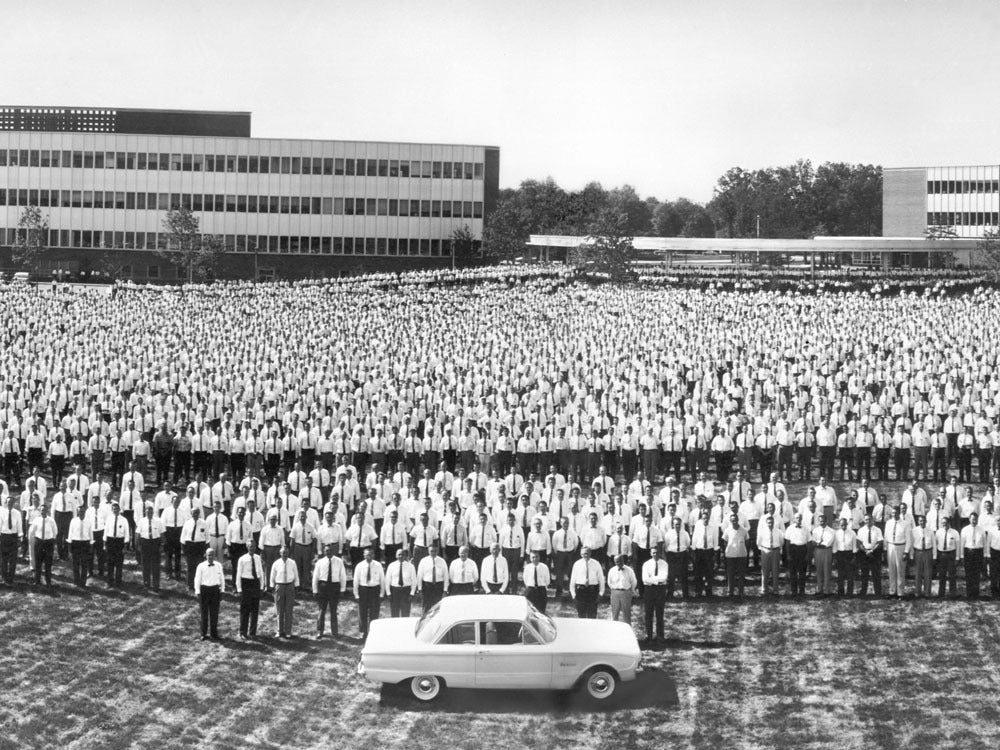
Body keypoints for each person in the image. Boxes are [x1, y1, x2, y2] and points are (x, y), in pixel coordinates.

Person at [312, 543, 347, 638]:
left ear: (333, 551)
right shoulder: (320, 562)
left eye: (330, 550)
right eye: (326, 551)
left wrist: (343, 589)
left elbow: (343, 576)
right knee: (321, 610)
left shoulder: (339, 561)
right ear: (324, 552)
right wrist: (315, 590)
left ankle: (335, 632)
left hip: (334, 587)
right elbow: (315, 577)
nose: (329, 552)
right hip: (323, 587)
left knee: (333, 610)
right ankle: (320, 631)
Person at [235, 539, 265, 639]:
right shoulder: (242, 559)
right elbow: (238, 575)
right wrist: (239, 589)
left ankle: (252, 632)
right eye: (250, 546)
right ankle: (243, 632)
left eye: (253, 546)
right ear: (247, 547)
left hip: (255, 583)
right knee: (245, 609)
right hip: (246, 583)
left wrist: (261, 586)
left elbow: (261, 572)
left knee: (255, 609)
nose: (252, 548)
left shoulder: (257, 558)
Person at [194, 547, 225, 640]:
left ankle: (214, 633)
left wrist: (222, 590)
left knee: (214, 613)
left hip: (215, 590)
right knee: (204, 613)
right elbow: (197, 579)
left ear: (215, 556)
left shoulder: (219, 565)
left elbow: (222, 579)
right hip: (204, 590)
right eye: (208, 555)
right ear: (205, 556)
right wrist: (197, 591)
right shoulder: (201, 566)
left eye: (212, 555)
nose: (210, 557)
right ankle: (203, 633)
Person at [353, 547, 384, 639]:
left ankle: (373, 631)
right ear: (364, 555)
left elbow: (382, 580)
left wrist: (382, 594)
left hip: (375, 590)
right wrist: (356, 594)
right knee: (362, 612)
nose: (369, 556)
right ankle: (363, 631)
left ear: (373, 555)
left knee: (374, 612)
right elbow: (356, 580)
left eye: (371, 554)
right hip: (363, 590)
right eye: (367, 554)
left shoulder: (378, 565)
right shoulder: (359, 566)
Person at [270, 545, 300, 638]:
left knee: (289, 610)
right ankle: (279, 631)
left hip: (290, 586)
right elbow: (272, 576)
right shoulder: (276, 563)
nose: (285, 554)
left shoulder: (292, 563)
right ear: (280, 553)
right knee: (280, 609)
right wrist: (272, 586)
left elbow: (296, 574)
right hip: (280, 586)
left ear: (288, 553)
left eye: (286, 552)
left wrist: (296, 585)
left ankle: (288, 631)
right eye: (283, 552)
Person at [569, 546, 605, 619]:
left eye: (587, 553)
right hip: (580, 591)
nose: (585, 555)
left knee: (592, 615)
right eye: (583, 554)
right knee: (581, 615)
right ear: (580, 554)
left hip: (592, 591)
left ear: (590, 553)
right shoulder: (577, 564)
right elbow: (572, 580)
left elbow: (601, 580)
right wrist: (573, 594)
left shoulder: (596, 564)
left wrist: (601, 593)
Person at [641, 547, 667, 644]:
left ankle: (660, 636)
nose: (655, 555)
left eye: (657, 553)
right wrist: (656, 580)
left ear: (660, 553)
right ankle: (649, 635)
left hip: (660, 590)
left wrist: (652, 579)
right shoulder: (646, 564)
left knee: (659, 613)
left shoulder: (664, 564)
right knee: (649, 613)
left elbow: (664, 577)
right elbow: (645, 579)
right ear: (650, 553)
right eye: (653, 553)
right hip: (649, 590)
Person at [29, 505, 58, 589]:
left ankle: (48, 582)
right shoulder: (36, 520)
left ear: (47, 511)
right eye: (42, 510)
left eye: (45, 510)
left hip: (48, 543)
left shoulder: (51, 521)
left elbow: (55, 531)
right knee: (38, 563)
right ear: (40, 511)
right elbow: (32, 531)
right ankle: (37, 581)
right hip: (39, 542)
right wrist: (35, 540)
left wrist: (51, 540)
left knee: (48, 564)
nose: (43, 512)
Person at [721, 514, 749, 598]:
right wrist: (728, 551)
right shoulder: (727, 530)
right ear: (730, 521)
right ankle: (730, 591)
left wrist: (743, 550)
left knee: (741, 574)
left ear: (738, 520)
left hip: (741, 555)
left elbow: (747, 542)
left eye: (735, 520)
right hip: (731, 555)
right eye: (732, 520)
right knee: (730, 574)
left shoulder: (744, 530)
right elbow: (725, 542)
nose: (734, 522)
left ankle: (741, 591)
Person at [960, 513, 986, 599]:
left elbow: (985, 544)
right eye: (972, 519)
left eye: (975, 519)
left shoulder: (981, 530)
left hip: (978, 552)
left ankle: (976, 593)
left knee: (977, 573)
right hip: (968, 552)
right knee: (969, 573)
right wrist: (962, 556)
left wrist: (985, 555)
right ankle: (969, 593)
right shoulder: (964, 530)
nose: (974, 521)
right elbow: (962, 544)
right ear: (969, 519)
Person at [181, 507, 208, 592]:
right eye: (194, 513)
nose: (195, 514)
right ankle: (190, 585)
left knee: (200, 567)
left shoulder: (204, 523)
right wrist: (184, 550)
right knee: (190, 567)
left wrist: (206, 550)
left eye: (197, 513)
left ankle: (199, 585)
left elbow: (207, 539)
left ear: (199, 514)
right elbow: (182, 538)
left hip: (200, 546)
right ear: (191, 514)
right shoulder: (187, 523)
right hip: (190, 546)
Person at [104, 502, 131, 587]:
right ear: (112, 510)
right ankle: (109, 581)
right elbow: (106, 531)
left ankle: (118, 581)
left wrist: (125, 545)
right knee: (110, 562)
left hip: (119, 542)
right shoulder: (109, 519)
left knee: (119, 563)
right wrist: (105, 543)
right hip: (110, 541)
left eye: (117, 509)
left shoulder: (124, 520)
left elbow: (127, 533)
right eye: (114, 509)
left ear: (119, 510)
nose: (115, 511)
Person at [384, 548, 417, 616]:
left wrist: (412, 593)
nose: (401, 556)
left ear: (406, 556)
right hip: (394, 591)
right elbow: (387, 580)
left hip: (406, 591)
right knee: (394, 612)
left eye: (403, 555)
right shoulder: (391, 566)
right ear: (396, 556)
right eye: (399, 555)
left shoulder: (410, 566)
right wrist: (388, 593)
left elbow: (414, 581)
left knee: (405, 612)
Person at [67, 504, 94, 588]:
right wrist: (69, 545)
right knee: (76, 563)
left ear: (85, 512)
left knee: (84, 563)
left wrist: (91, 544)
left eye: (82, 512)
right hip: (76, 543)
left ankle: (83, 582)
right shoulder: (73, 521)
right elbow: (70, 534)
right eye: (79, 512)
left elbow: (91, 534)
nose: (81, 513)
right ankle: (76, 581)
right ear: (77, 512)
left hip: (85, 543)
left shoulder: (89, 521)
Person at [415, 543, 448, 611]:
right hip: (427, 586)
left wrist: (445, 590)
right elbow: (419, 576)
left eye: (435, 551)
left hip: (438, 586)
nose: (433, 553)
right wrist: (420, 588)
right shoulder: (423, 561)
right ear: (428, 551)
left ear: (438, 551)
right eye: (431, 551)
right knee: (426, 606)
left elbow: (446, 576)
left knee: (438, 606)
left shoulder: (442, 561)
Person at [607, 554, 638, 625]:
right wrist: (614, 590)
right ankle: (614, 630)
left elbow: (633, 581)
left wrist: (631, 590)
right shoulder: (612, 570)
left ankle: (627, 632)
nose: (619, 563)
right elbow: (609, 582)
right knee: (614, 613)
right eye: (617, 561)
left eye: (620, 561)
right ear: (614, 562)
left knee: (626, 614)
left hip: (626, 593)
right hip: (615, 592)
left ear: (623, 560)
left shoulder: (629, 570)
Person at [757, 514, 783, 596]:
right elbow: (758, 542)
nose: (770, 524)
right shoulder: (762, 532)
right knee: (765, 570)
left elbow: (781, 542)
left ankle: (775, 589)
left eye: (771, 522)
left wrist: (777, 549)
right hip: (765, 550)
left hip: (775, 551)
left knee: (775, 570)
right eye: (768, 523)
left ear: (774, 522)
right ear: (766, 523)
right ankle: (764, 589)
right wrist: (764, 549)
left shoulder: (778, 532)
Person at [910, 515, 934, 598]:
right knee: (918, 573)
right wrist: (911, 555)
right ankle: (917, 591)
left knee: (928, 573)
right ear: (918, 521)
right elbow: (912, 543)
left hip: (928, 552)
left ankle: (927, 592)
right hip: (918, 552)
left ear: (926, 521)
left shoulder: (930, 531)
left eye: (923, 520)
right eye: (920, 521)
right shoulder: (914, 531)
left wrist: (934, 556)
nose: (922, 522)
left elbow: (934, 543)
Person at [811, 516, 835, 597]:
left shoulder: (831, 531)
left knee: (827, 570)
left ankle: (826, 590)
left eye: (823, 521)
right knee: (819, 570)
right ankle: (819, 589)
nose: (822, 523)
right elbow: (813, 542)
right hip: (818, 551)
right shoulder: (815, 530)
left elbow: (828, 543)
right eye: (820, 521)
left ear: (827, 521)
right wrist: (818, 544)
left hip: (826, 551)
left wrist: (818, 543)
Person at [1, 495, 23, 584]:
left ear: (14, 503)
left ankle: (11, 577)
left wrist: (20, 537)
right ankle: (4, 575)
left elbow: (19, 526)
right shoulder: (1, 513)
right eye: (8, 502)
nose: (9, 504)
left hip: (13, 537)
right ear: (6, 503)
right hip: (4, 536)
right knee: (4, 558)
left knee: (13, 558)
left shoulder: (17, 513)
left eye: (11, 502)